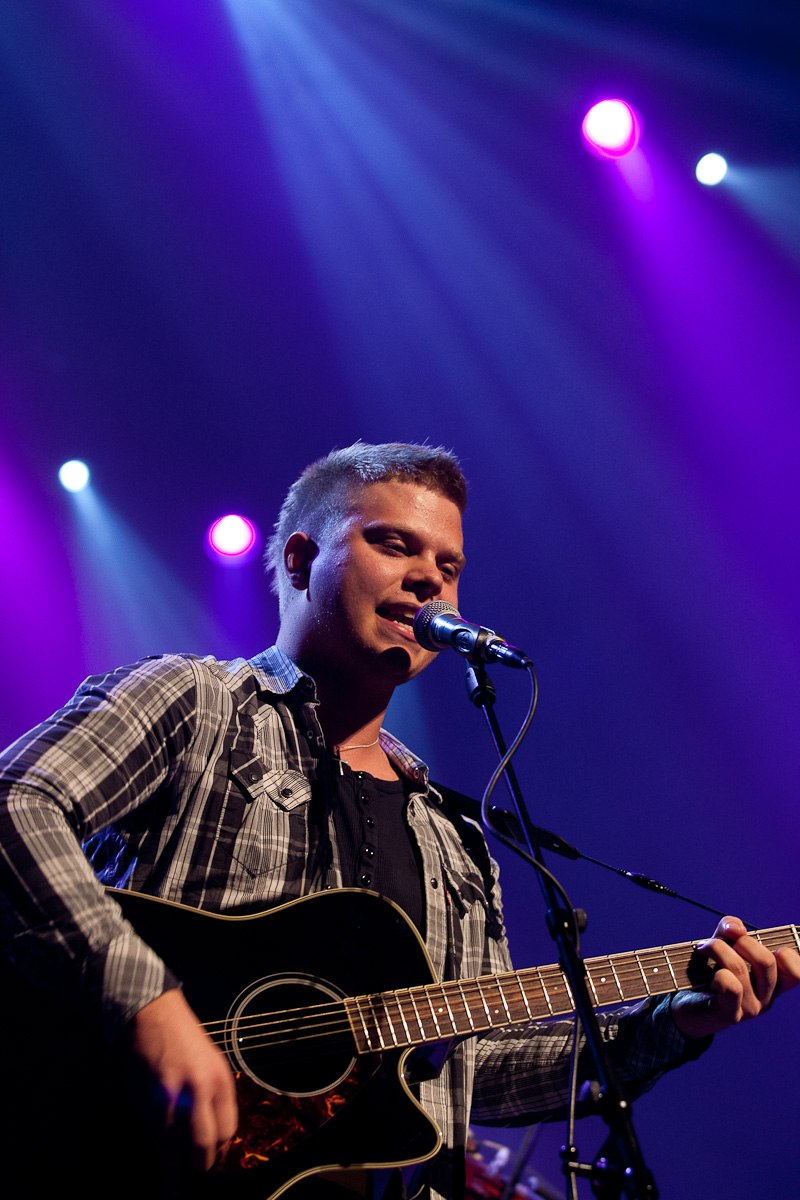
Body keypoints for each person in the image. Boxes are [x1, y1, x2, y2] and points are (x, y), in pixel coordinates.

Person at [0, 442, 797, 1200]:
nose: (429, 580)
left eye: (450, 567)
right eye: (393, 544)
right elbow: (15, 804)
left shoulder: (453, 838)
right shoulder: (197, 704)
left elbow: (475, 1069)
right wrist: (146, 1002)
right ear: (301, 560)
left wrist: (678, 1021)